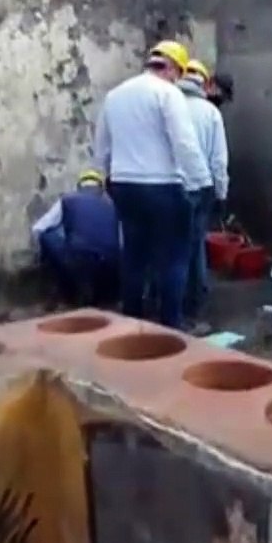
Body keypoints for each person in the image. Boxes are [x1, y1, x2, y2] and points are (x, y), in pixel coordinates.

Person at [92, 40, 210, 329]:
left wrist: (105, 178)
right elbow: (184, 143)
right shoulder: (168, 94)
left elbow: (101, 147)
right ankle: (172, 323)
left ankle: (133, 319)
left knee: (134, 255)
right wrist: (202, 182)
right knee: (174, 257)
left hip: (124, 185)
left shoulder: (114, 96)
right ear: (173, 69)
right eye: (178, 74)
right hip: (163, 186)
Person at [179, 59, 229, 325]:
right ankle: (196, 308)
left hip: (168, 186)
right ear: (205, 83)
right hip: (199, 188)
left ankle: (165, 306)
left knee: (169, 247)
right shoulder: (210, 114)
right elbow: (218, 161)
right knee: (195, 245)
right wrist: (221, 194)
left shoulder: (167, 107)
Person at [30, 170, 121, 305]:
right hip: (110, 264)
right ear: (101, 189)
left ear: (79, 187)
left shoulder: (68, 200)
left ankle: (61, 288)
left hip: (78, 260)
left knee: (47, 236)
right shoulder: (113, 206)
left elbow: (39, 228)